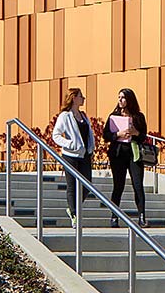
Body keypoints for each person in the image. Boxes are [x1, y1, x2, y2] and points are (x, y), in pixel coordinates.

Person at [103, 88, 148, 228]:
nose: (120, 100)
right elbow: (106, 135)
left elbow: (143, 136)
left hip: (134, 154)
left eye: (123, 97)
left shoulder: (138, 116)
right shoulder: (113, 115)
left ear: (130, 99)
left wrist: (135, 132)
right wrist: (118, 134)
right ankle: (114, 216)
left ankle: (142, 216)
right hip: (118, 154)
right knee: (118, 185)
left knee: (138, 185)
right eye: (119, 97)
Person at [51, 87, 95, 229]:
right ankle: (75, 214)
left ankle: (73, 208)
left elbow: (88, 134)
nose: (84, 98)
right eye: (81, 96)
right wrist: (69, 143)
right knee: (72, 185)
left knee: (87, 184)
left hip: (85, 155)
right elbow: (56, 135)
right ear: (74, 98)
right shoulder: (65, 116)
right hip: (70, 155)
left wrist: (91, 147)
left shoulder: (83, 115)